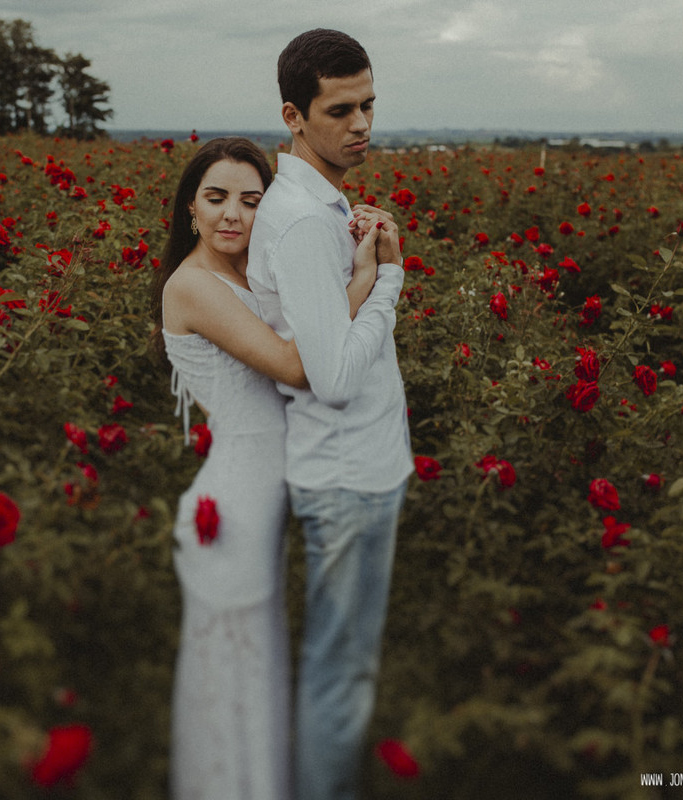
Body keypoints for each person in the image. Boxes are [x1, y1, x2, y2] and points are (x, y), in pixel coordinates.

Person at [152, 136, 397, 800]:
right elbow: (297, 363)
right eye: (216, 197)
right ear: (189, 211)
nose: (233, 213)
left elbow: (303, 329)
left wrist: (348, 242)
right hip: (231, 507)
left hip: (261, 500)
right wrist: (368, 281)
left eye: (251, 200)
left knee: (256, 680)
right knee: (231, 684)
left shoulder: (243, 275)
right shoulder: (193, 286)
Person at [245, 29, 412, 800]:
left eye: (368, 105)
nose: (362, 125)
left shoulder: (313, 206)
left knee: (339, 666)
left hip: (349, 467)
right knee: (341, 675)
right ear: (294, 115)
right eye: (340, 110)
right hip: (349, 474)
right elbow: (336, 376)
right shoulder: (309, 221)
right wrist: (388, 279)